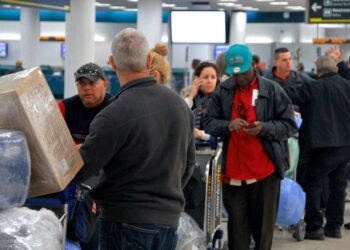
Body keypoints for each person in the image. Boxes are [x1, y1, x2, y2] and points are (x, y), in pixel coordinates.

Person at [76, 28, 195, 250]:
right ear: (150, 59)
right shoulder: (180, 106)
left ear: (112, 62)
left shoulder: (113, 115)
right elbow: (189, 164)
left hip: (124, 222)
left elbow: (81, 168)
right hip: (168, 224)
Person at [203, 44, 297, 250]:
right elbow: (208, 122)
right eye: (233, 75)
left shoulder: (271, 90)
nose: (238, 79)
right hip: (233, 174)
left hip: (265, 174)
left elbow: (289, 125)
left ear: (253, 66)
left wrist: (264, 128)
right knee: (238, 232)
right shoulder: (223, 91)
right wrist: (228, 125)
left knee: (262, 234)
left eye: (243, 73)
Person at [284, 56, 350, 240]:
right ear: (336, 69)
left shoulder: (311, 87)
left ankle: (315, 228)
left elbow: (288, 94)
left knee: (312, 184)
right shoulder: (347, 86)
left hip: (319, 146)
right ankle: (334, 227)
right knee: (338, 186)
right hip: (345, 146)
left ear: (318, 71)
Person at [58, 62, 111, 250]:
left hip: (103, 180)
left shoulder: (115, 109)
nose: (86, 88)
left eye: (92, 83)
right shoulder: (66, 107)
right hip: (71, 180)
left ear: (104, 83)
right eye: (82, 83)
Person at [184, 61, 219, 145]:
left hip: (210, 149)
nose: (209, 81)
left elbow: (220, 133)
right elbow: (180, 114)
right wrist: (191, 95)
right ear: (197, 79)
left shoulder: (219, 100)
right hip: (189, 147)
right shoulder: (191, 99)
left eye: (213, 77)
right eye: (206, 77)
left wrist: (202, 135)